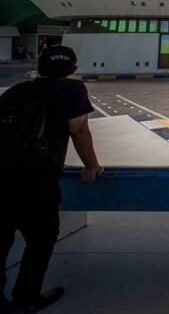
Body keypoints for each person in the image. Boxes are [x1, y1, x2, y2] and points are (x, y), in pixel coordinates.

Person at [1, 46, 103, 313]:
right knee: (40, 239)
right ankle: (25, 298)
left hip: (2, 175)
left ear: (41, 66)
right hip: (36, 178)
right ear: (73, 68)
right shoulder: (72, 90)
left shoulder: (17, 90)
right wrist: (92, 166)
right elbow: (79, 131)